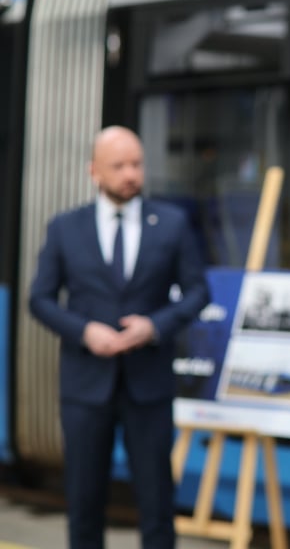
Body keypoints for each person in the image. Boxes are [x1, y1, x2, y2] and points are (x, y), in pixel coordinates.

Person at [29, 126, 210, 549]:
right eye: (119, 166)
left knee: (157, 506)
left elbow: (199, 291)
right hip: (84, 386)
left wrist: (155, 326)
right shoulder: (63, 228)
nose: (130, 174)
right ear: (95, 171)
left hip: (149, 387)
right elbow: (39, 299)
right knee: (84, 505)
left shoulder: (172, 223)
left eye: (136, 164)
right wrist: (84, 331)